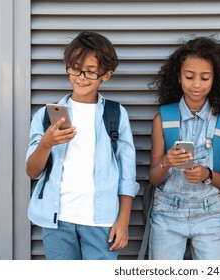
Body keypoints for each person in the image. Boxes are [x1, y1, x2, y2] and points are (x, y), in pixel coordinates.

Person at [25, 31, 139, 260]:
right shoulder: (46, 116)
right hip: (57, 220)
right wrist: (46, 143)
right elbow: (32, 171)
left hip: (102, 221)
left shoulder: (115, 114)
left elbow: (127, 174)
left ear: (106, 75)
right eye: (75, 68)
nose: (81, 76)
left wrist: (123, 220)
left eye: (90, 70)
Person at [148, 36, 220, 260]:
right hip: (167, 213)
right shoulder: (164, 119)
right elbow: (153, 178)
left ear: (214, 79)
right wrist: (166, 162)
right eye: (189, 77)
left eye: (205, 77)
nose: (197, 84)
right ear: (178, 77)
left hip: (211, 213)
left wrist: (207, 175)